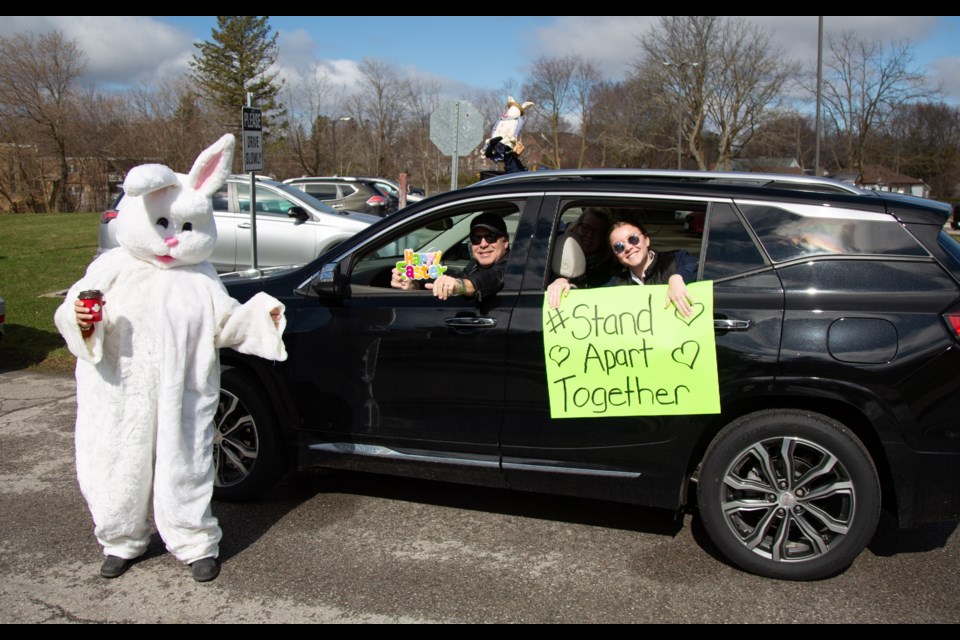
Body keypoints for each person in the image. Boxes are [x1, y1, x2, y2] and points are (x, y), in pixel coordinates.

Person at [391, 212, 509, 301]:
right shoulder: (475, 264)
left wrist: (459, 285)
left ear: (505, 242)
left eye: (491, 237)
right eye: (476, 239)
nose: (483, 244)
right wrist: (414, 285)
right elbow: (460, 276)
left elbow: (488, 279)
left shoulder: (511, 266)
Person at [608, 220, 698, 317]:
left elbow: (697, 265)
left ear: (646, 240)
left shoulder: (676, 259)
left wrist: (678, 277)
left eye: (633, 239)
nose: (628, 248)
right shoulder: (615, 285)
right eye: (618, 246)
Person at [546, 208, 615, 309]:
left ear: (603, 240)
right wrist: (560, 279)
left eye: (597, 233)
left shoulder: (607, 271)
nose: (590, 235)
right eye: (585, 227)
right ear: (575, 226)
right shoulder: (549, 254)